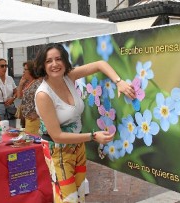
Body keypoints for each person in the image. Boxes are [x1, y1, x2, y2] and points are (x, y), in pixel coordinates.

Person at [34, 43, 136, 203]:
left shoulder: (68, 77)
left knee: (80, 194)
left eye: (58, 59)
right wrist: (93, 136)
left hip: (78, 145)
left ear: (65, 61)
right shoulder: (43, 95)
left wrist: (119, 82)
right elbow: (57, 135)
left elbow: (100, 64)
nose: (54, 64)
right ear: (42, 65)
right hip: (58, 150)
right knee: (68, 199)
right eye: (49, 61)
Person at [17, 61, 42, 134]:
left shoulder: (37, 84)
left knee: (31, 138)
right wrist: (21, 84)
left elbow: (44, 101)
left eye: (25, 69)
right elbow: (19, 96)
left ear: (31, 71)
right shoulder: (27, 83)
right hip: (27, 118)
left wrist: (37, 114)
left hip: (34, 119)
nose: (23, 71)